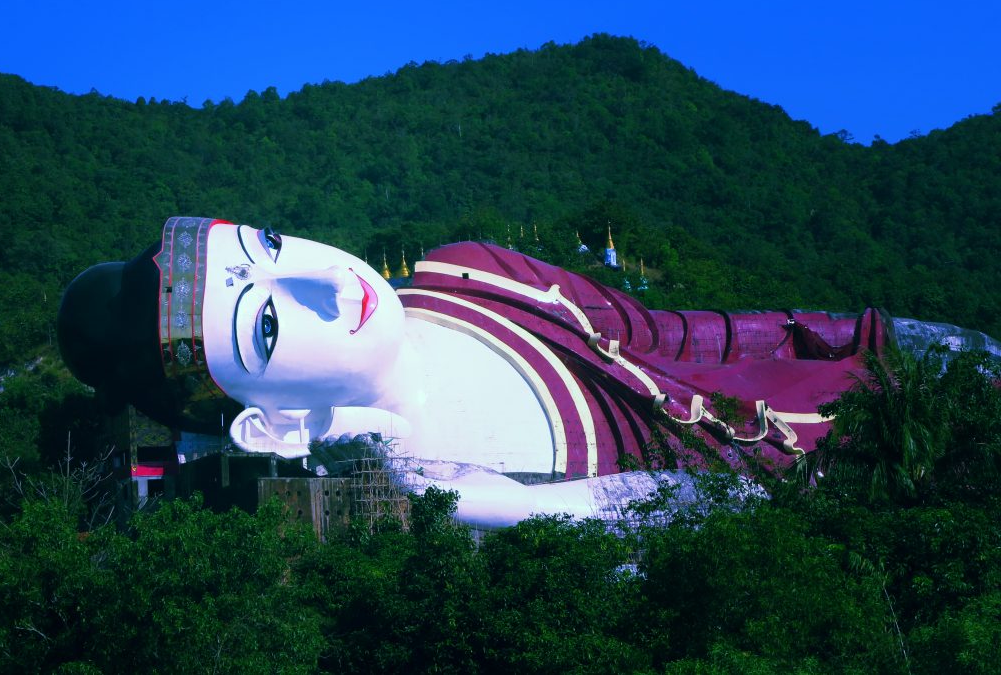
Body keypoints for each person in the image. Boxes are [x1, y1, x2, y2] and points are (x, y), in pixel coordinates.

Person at [58, 217, 1001, 527]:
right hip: (841, 488)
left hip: (866, 382)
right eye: (263, 321)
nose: (321, 277)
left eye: (267, 243)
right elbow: (650, 522)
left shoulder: (474, 274)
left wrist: (880, 339)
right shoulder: (434, 479)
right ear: (264, 422)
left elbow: (688, 333)